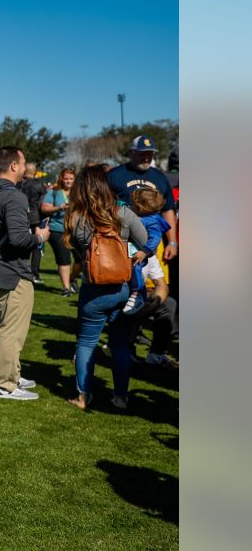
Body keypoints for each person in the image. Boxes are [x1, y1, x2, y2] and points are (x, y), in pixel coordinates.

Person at [62, 165, 149, 410]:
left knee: (86, 343)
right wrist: (127, 254)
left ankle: (82, 396)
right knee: (120, 345)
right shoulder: (125, 214)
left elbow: (78, 253)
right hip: (123, 288)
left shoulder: (76, 218)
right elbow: (146, 245)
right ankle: (121, 397)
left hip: (93, 290)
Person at [0, 147, 50, 400]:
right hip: (13, 271)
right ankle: (5, 385)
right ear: (12, 166)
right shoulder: (13, 196)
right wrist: (40, 236)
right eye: (22, 163)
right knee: (11, 331)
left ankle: (12, 374)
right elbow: (19, 238)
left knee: (4, 327)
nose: (25, 168)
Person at [107, 135, 178, 279]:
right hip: (123, 240)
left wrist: (172, 242)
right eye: (142, 154)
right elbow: (103, 205)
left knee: (156, 282)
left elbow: (168, 210)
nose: (146, 158)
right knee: (127, 280)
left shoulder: (159, 177)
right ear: (131, 152)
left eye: (149, 154)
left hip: (153, 239)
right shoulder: (115, 175)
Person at [122, 185, 169, 315]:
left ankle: (137, 294)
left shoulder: (151, 221)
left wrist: (144, 252)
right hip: (136, 249)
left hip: (142, 253)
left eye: (133, 204)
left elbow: (155, 239)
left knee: (136, 269)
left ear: (142, 207)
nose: (131, 205)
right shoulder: (139, 214)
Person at [41, 167, 74, 295]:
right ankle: (66, 288)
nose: (68, 181)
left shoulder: (78, 192)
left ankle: (73, 279)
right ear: (61, 179)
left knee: (81, 259)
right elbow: (44, 208)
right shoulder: (54, 192)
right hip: (58, 230)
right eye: (66, 178)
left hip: (76, 230)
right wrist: (59, 207)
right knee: (64, 259)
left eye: (71, 179)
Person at [19, 162, 47, 284]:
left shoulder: (19, 184)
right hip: (36, 218)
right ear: (35, 172)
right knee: (37, 247)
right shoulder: (39, 185)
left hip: (22, 217)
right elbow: (43, 204)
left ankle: (23, 271)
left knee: (23, 245)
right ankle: (34, 273)